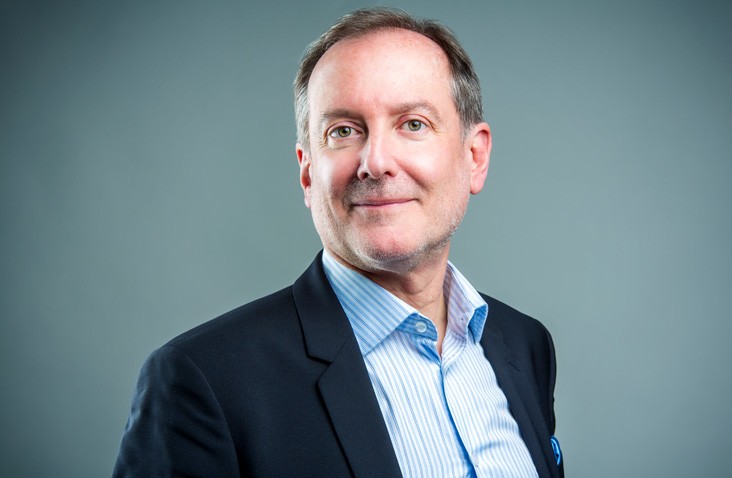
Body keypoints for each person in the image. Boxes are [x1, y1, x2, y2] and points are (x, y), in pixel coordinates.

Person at [113, 7, 563, 477]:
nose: (376, 162)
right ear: (308, 172)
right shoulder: (204, 379)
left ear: (474, 157)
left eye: (413, 124)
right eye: (343, 131)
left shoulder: (524, 346)